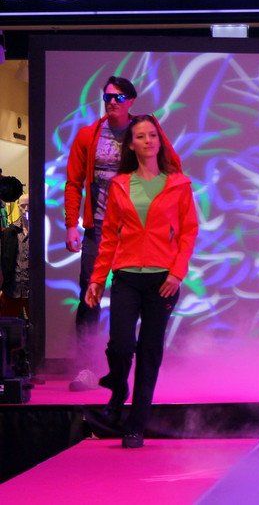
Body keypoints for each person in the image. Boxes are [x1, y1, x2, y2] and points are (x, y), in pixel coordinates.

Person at [84, 115, 198, 449]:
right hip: (127, 276)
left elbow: (189, 231)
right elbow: (109, 236)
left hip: (163, 279)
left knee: (149, 352)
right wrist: (97, 279)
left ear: (160, 141)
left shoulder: (178, 183)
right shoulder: (120, 184)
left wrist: (177, 273)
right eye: (140, 136)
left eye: (152, 135)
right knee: (121, 344)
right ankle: (119, 386)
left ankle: (136, 425)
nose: (148, 141)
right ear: (131, 145)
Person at [64, 76, 180, 391]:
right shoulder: (89, 135)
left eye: (118, 97)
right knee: (89, 294)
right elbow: (74, 182)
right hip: (99, 228)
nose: (112, 102)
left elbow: (173, 169)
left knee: (143, 296)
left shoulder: (143, 133)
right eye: (107, 97)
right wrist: (71, 223)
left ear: (130, 101)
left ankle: (140, 370)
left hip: (137, 232)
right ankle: (87, 367)